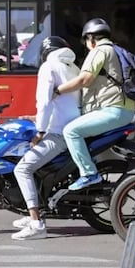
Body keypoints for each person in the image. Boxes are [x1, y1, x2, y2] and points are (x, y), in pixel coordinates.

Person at [10, 36, 82, 240]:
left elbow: (44, 102)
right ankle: (33, 210)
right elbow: (63, 103)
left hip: (57, 133)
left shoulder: (48, 66)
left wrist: (39, 132)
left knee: (22, 168)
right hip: (70, 127)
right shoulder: (72, 67)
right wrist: (34, 118)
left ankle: (36, 223)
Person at [54, 18, 135, 191]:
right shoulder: (116, 50)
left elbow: (84, 79)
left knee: (71, 131)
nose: (86, 45)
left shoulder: (99, 51)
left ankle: (89, 174)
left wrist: (57, 90)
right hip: (123, 110)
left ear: (91, 38)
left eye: (85, 41)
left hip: (112, 110)